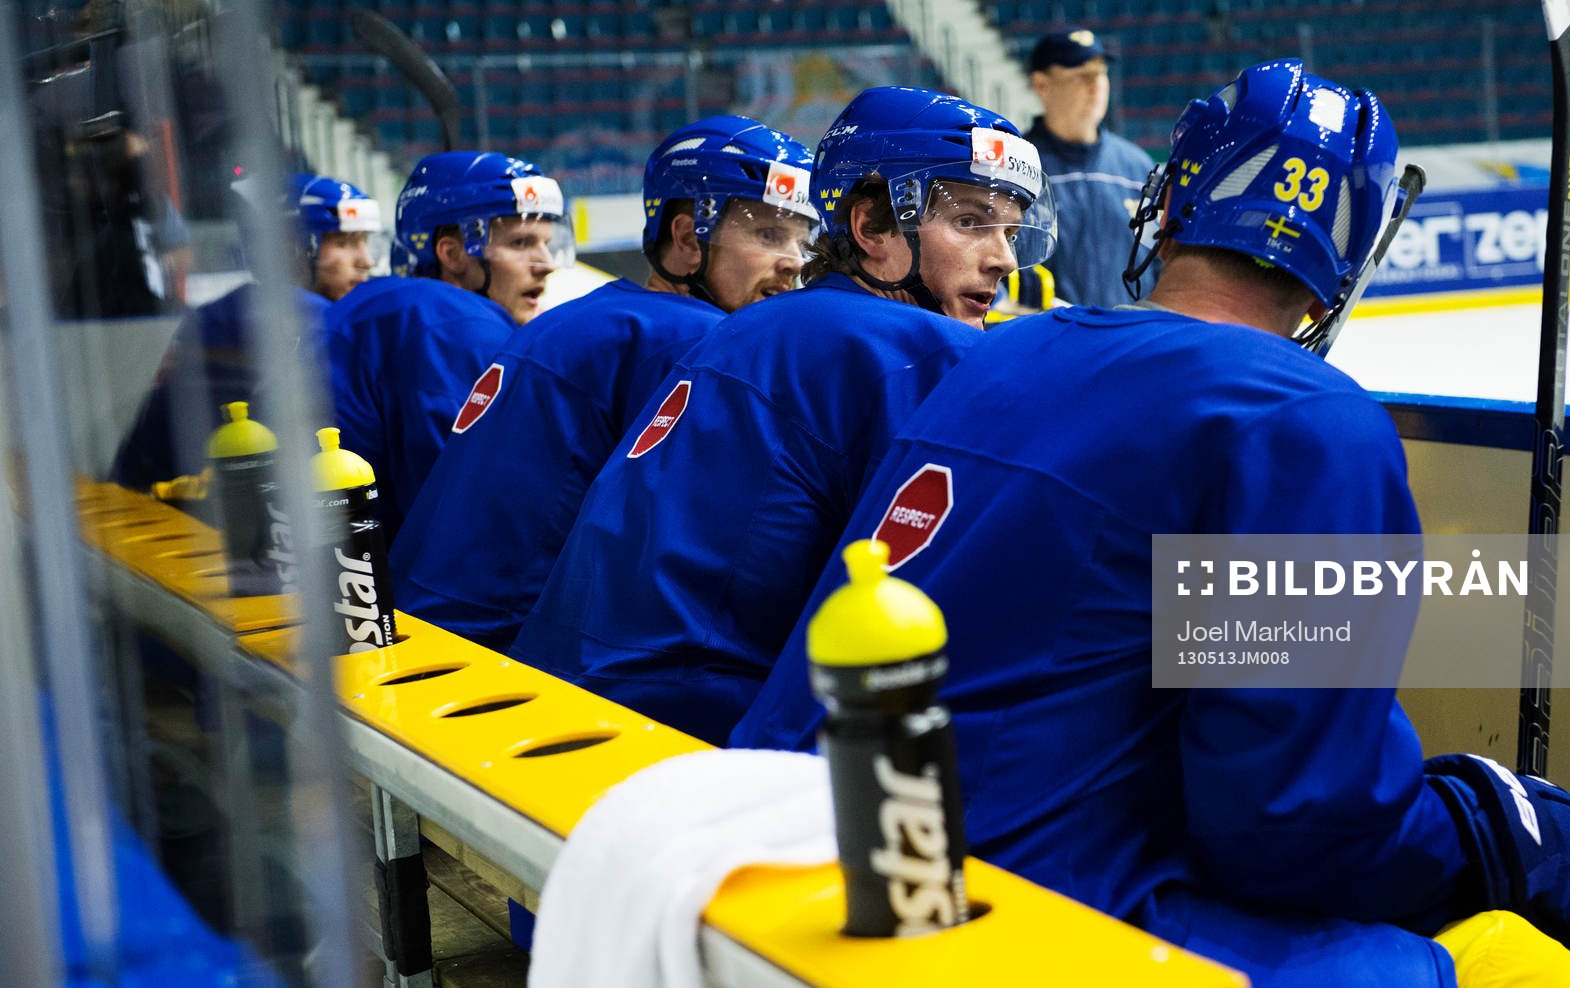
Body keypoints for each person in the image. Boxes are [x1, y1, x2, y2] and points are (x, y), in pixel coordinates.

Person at [734, 61, 1570, 988]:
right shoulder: (1302, 420)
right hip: (1002, 931)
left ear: (1172, 202)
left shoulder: (1007, 353)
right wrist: (1486, 832)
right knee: (1525, 982)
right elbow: (1287, 829)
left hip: (803, 879)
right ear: (1347, 259)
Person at [506, 87, 1057, 743]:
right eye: (970, 221)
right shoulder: (915, 349)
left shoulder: (749, 325)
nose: (1003, 257)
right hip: (689, 737)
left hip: (558, 700)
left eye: (1010, 227)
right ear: (872, 227)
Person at [390, 117, 820, 651]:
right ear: (687, 237)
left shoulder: (592, 318)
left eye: (802, 240)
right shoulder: (694, 342)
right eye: (768, 233)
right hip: (499, 653)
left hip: (429, 623)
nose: (793, 262)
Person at [324, 150, 570, 534]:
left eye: (546, 243)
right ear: (452, 254)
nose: (546, 262)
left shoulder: (390, 309)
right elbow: (472, 517)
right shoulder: (452, 324)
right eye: (522, 243)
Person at [112, 171, 383, 491]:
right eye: (344, 242)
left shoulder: (222, 316)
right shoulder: (290, 317)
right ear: (289, 249)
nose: (365, 260)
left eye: (365, 242)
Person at [1015, 29, 1157, 308]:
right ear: (1042, 85)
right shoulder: (1018, 168)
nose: (1096, 86)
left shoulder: (1137, 168)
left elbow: (1162, 261)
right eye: (1081, 76)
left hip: (1133, 341)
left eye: (1101, 74)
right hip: (1053, 341)